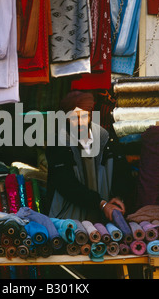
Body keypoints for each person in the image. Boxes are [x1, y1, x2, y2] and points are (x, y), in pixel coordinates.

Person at [46, 91, 134, 223]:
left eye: (84, 116)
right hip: (68, 221)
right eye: (74, 117)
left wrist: (118, 196)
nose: (80, 122)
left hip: (103, 222)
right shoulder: (58, 143)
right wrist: (101, 203)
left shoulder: (107, 139)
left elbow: (122, 171)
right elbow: (66, 184)